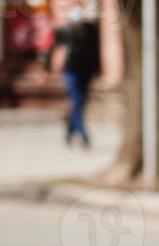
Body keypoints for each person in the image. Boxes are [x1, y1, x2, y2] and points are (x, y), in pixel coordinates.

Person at [46, 5, 100, 148]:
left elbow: (95, 51)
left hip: (86, 71)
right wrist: (47, 69)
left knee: (80, 103)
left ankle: (70, 130)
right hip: (71, 70)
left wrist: (96, 68)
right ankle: (83, 134)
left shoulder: (90, 31)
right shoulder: (65, 31)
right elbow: (54, 49)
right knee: (76, 101)